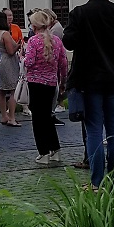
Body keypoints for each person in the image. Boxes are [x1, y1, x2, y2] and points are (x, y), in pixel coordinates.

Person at [63, 0, 114, 190]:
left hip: (89, 79)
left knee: (94, 129)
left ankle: (96, 182)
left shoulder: (80, 13)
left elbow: (69, 42)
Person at [24, 9, 68, 163]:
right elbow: (63, 64)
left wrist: (22, 57)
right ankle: (55, 150)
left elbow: (28, 62)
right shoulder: (57, 40)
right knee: (48, 117)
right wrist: (63, 82)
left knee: (37, 119)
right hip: (51, 84)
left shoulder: (33, 41)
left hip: (35, 83)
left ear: (35, 25)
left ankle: (43, 152)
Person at [0, 11, 22, 126]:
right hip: (8, 63)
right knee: (13, 89)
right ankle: (12, 117)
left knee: (1, 91)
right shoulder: (5, 34)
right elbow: (10, 51)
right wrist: (18, 45)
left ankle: (3, 116)